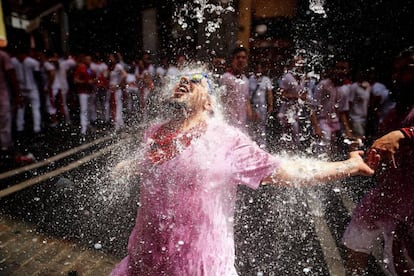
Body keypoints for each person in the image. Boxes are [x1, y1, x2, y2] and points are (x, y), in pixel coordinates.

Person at [110, 71, 376, 276]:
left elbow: (287, 170)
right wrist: (125, 168)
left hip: (200, 265)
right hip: (144, 262)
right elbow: (153, 163)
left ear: (210, 103)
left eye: (195, 81)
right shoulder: (154, 133)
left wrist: (348, 166)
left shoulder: (226, 140)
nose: (185, 82)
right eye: (181, 79)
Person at [343, 48, 414, 276]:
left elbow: (401, 137)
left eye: (408, 69)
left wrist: (403, 135)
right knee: (355, 243)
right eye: (397, 69)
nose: (400, 75)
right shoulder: (394, 111)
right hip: (388, 195)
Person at [219, 46, 253, 131]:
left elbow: (246, 99)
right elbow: (220, 99)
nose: (241, 60)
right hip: (228, 123)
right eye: (238, 57)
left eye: (243, 58)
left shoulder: (245, 80)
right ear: (233, 60)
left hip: (242, 123)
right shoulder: (225, 78)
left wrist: (250, 114)